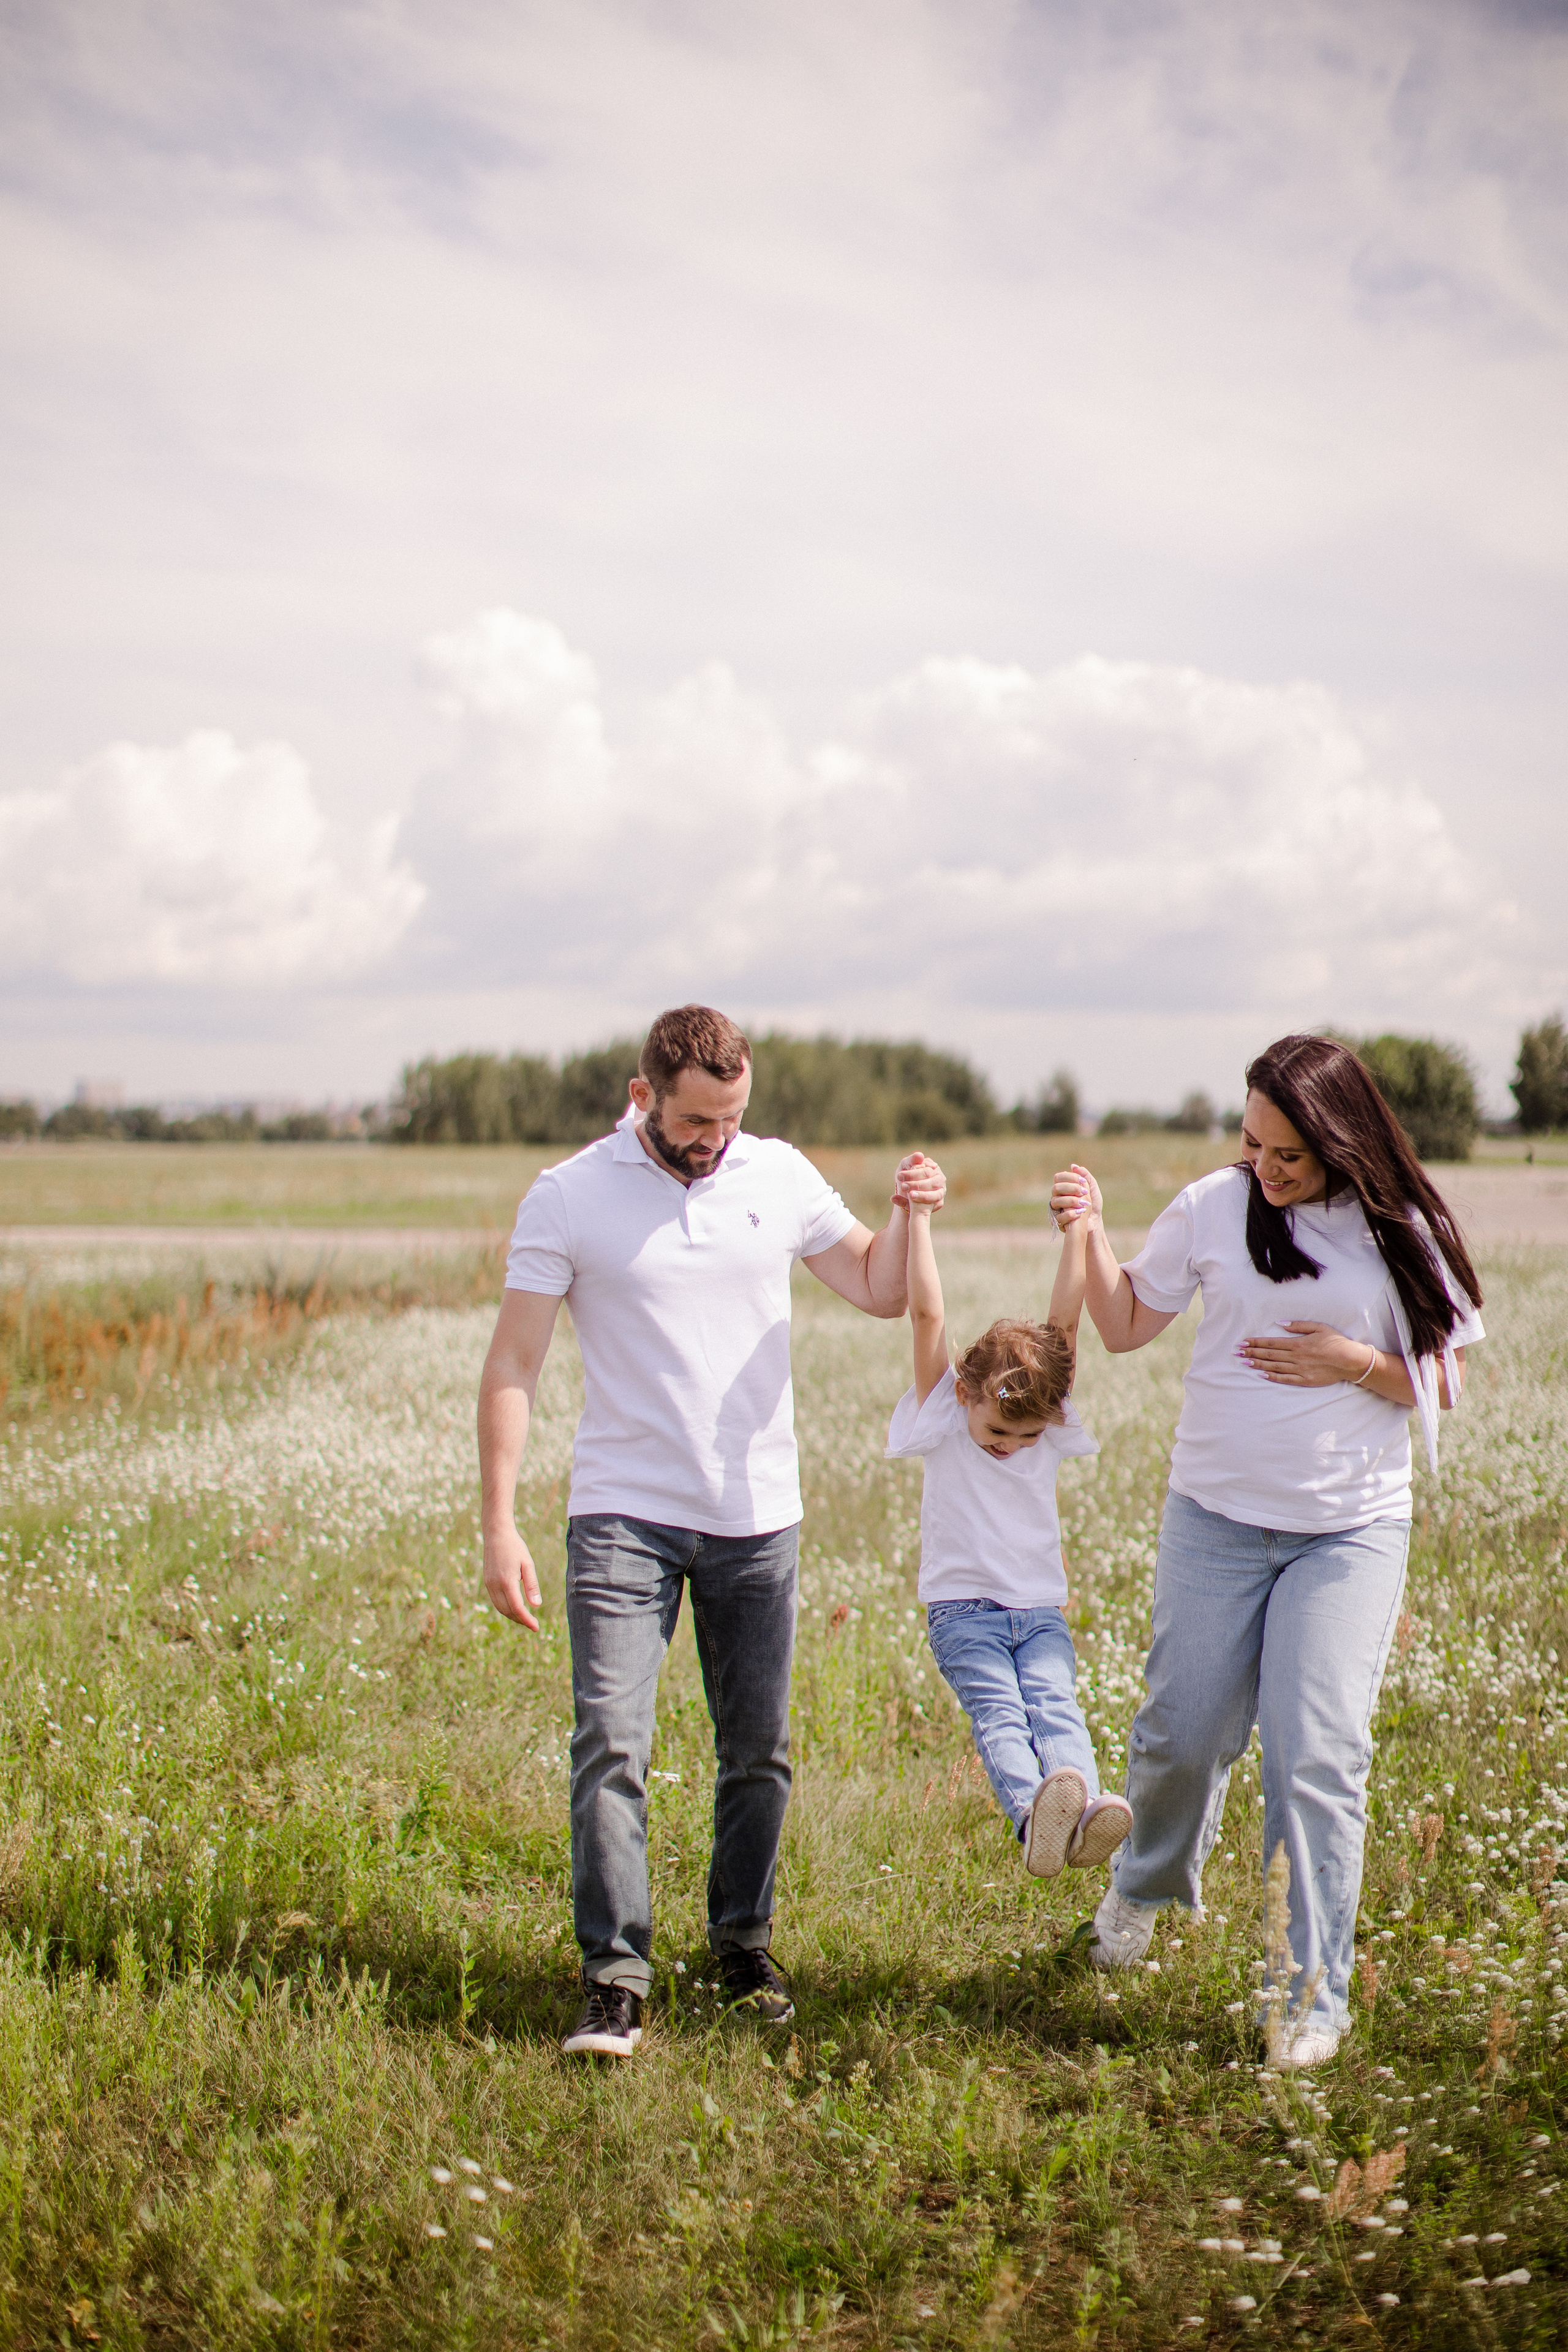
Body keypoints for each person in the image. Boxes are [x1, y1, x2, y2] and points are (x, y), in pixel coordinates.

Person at [478, 1003, 946, 2057]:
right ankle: (614, 1980)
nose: (716, 1139)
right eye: (696, 1121)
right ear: (642, 1095)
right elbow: (513, 1363)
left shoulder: (777, 1172)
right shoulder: (568, 1194)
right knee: (611, 1744)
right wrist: (499, 1523)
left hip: (755, 1517)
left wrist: (911, 1213)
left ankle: (742, 1949)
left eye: (732, 1118)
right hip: (622, 1515)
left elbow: (879, 1288)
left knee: (758, 1753)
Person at [1052, 1033, 1485, 2068]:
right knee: (1182, 1734)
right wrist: (1090, 1232)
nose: (1266, 1168)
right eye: (1254, 1145)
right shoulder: (1214, 1205)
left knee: (1315, 1750)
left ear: (1342, 1140)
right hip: (1215, 1517)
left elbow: (1447, 1379)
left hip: (1348, 1532)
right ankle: (1146, 1886)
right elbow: (1124, 1325)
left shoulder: (1403, 1226)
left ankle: (1309, 1992)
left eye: (1288, 1153)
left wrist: (1351, 1360)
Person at [886, 1155, 1134, 1879]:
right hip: (964, 1612)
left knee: (1057, 1707)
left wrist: (1078, 1229)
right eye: (1000, 1432)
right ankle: (1033, 1819)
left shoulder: (1043, 1421)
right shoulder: (944, 1413)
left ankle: (1081, 1817)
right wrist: (920, 1218)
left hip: (1038, 1608)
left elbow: (1064, 1322)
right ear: (965, 1394)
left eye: (1026, 1437)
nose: (1014, 1446)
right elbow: (927, 1315)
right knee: (1000, 1712)